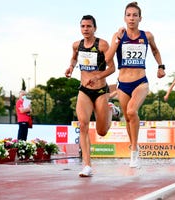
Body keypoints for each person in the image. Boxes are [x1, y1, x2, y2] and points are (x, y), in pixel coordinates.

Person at [105, 2, 165, 168]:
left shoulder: (147, 36)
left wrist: (160, 66)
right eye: (128, 15)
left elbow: (155, 50)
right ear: (124, 18)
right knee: (128, 119)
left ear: (140, 18)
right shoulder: (118, 36)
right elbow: (108, 58)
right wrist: (117, 39)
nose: (131, 18)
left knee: (132, 111)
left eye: (135, 15)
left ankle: (134, 151)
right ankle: (133, 147)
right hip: (122, 84)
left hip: (140, 82)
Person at [65, 15, 116, 177]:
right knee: (83, 124)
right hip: (84, 90)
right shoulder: (76, 45)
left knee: (101, 131)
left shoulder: (102, 44)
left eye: (89, 26)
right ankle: (87, 165)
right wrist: (70, 68)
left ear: (95, 28)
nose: (85, 29)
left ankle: (110, 111)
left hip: (100, 91)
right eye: (83, 26)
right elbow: (73, 59)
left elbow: (112, 68)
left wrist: (98, 77)